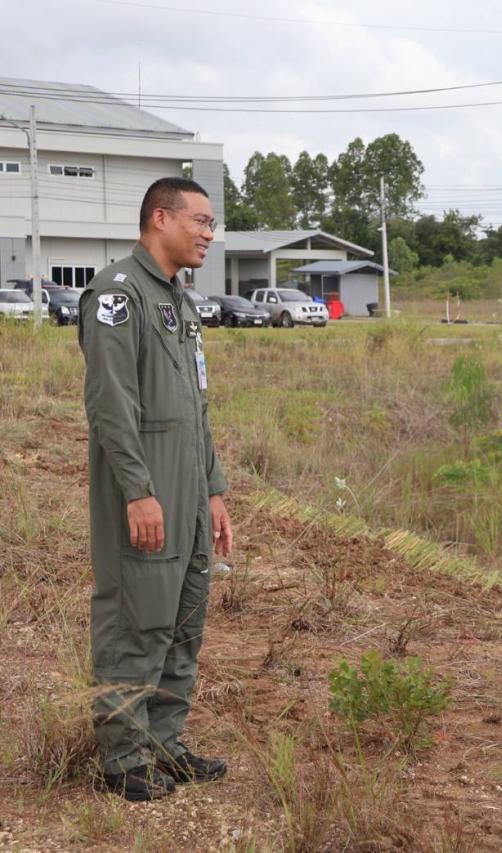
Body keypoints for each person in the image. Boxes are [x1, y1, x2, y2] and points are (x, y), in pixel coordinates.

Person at [79, 177, 234, 801]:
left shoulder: (181, 300)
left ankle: (165, 743)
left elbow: (195, 408)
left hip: (190, 492)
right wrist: (140, 491)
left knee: (182, 621)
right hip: (144, 490)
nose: (208, 233)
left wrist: (214, 492)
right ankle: (122, 758)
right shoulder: (118, 295)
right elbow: (110, 406)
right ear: (159, 218)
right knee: (136, 619)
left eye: (212, 223)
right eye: (199, 221)